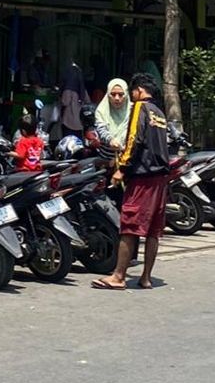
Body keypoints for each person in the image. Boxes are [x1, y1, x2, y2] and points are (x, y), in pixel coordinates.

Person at [93, 73, 170, 291]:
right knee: (153, 231)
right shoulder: (159, 112)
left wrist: (122, 170)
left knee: (129, 226)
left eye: (130, 92)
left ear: (138, 90)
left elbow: (133, 140)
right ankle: (146, 277)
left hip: (142, 176)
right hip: (160, 178)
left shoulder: (139, 108)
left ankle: (118, 276)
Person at [95, 78, 131, 151]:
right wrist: (111, 140)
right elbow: (101, 129)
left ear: (126, 94)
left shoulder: (133, 111)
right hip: (106, 155)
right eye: (113, 94)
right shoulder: (101, 111)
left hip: (126, 154)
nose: (117, 98)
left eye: (121, 94)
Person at [59, 60, 90, 137]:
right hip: (80, 122)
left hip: (69, 122)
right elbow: (88, 101)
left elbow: (65, 102)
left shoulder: (68, 89)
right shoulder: (82, 88)